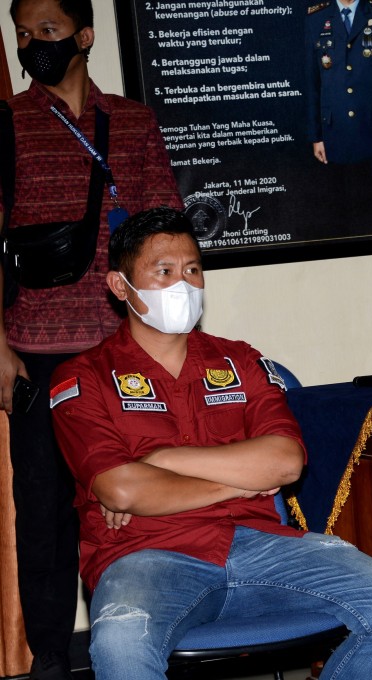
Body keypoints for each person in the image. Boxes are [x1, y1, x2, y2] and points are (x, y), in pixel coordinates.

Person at [48, 207, 372, 680]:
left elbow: (286, 462)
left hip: (261, 544)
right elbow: (122, 491)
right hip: (145, 556)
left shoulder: (240, 360)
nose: (183, 285)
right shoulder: (82, 377)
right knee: (122, 647)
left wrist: (164, 461)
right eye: (163, 272)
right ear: (120, 286)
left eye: (192, 270)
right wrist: (241, 483)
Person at [2, 1, 183, 677]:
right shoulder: (8, 123)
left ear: (84, 35)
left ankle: (129, 650)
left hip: (118, 353)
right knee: (45, 517)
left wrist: (164, 336)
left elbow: (166, 228)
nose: (32, 45)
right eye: (21, 35)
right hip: (35, 352)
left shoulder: (131, 122)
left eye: (46, 32)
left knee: (124, 508)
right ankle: (49, 661)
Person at [304, 0, 372, 228]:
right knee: (342, 213)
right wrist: (316, 136)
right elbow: (313, 84)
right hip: (335, 134)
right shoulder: (316, 19)